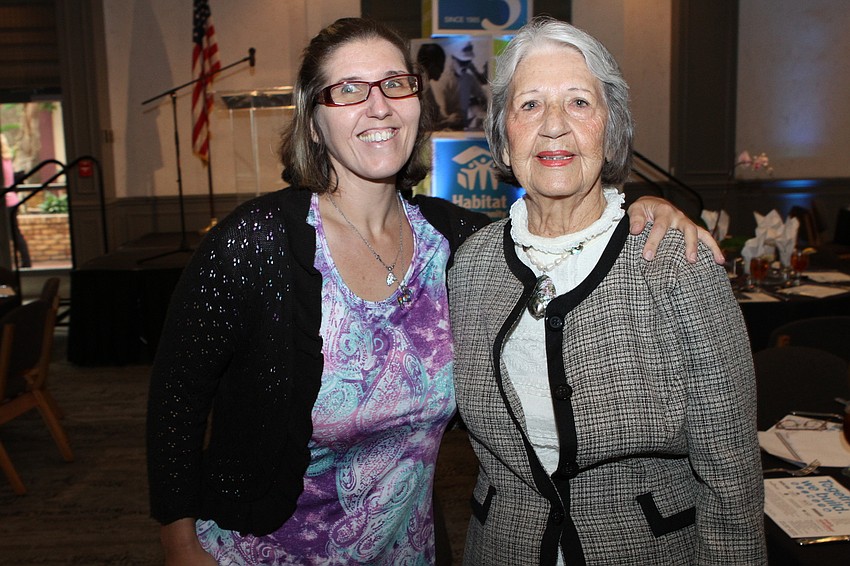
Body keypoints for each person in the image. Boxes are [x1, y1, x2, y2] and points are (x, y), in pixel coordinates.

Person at [146, 17, 722, 566]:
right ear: (313, 118)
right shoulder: (252, 245)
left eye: (395, 84)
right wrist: (178, 546)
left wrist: (645, 206)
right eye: (348, 89)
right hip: (259, 549)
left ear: (418, 102)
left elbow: (563, 217)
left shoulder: (457, 242)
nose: (378, 106)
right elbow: (176, 402)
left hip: (408, 550)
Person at [448, 17, 766, 565]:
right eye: (529, 105)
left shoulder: (676, 263)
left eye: (578, 102)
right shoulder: (469, 266)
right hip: (501, 550)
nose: (554, 126)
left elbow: (731, 474)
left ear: (610, 126)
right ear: (502, 133)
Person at [1, 134, 31, 268]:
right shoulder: (7, 160)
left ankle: (22, 263)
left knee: (12, 234)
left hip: (5, 202)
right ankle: (26, 262)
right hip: (11, 200)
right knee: (15, 233)